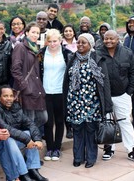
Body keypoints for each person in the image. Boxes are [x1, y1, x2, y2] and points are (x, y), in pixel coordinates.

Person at [63, 33, 112, 168]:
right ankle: (78, 157)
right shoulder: (72, 58)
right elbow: (66, 81)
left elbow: (105, 82)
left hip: (92, 103)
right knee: (77, 130)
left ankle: (91, 158)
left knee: (91, 131)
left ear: (90, 44)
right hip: (75, 102)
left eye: (83, 43)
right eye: (78, 42)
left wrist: (108, 105)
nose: (80, 45)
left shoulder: (97, 59)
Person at [97, 30, 134, 163]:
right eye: (106, 39)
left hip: (122, 94)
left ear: (118, 39)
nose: (108, 41)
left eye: (112, 39)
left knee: (125, 122)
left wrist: (129, 91)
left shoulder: (127, 53)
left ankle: (132, 150)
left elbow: (133, 73)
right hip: (104, 96)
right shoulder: (98, 53)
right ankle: (109, 148)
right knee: (106, 123)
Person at [0, 86, 48, 181]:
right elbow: (5, 128)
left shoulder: (16, 106)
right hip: (3, 143)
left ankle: (33, 169)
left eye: (11, 96)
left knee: (29, 133)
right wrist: (27, 140)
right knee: (9, 139)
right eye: (5, 96)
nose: (9, 98)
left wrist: (37, 139)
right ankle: (23, 173)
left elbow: (30, 123)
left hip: (17, 139)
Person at [38, 29, 72, 161]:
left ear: (60, 41)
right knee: (48, 121)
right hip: (46, 92)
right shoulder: (41, 54)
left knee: (59, 121)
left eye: (55, 41)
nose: (52, 44)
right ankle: (49, 148)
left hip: (61, 92)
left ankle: (57, 148)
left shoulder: (66, 54)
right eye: (50, 41)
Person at [11, 22, 47, 128]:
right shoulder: (20, 47)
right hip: (26, 90)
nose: (35, 35)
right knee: (29, 120)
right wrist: (24, 86)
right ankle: (30, 142)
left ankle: (31, 137)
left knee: (43, 118)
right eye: (33, 32)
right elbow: (15, 69)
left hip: (37, 89)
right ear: (27, 33)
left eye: (37, 33)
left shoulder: (36, 49)